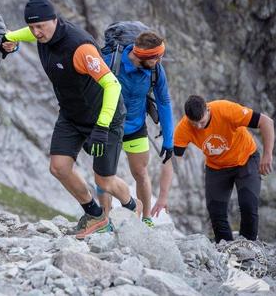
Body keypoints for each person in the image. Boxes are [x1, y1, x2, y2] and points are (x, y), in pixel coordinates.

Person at [3, 0, 142, 239]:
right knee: (59, 167)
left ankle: (133, 207)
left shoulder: (80, 48)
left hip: (104, 117)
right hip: (71, 113)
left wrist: (101, 126)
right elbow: (24, 33)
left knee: (105, 180)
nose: (36, 33)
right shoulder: (40, 33)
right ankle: (95, 214)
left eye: (41, 27)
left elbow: (112, 86)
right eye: (32, 27)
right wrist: (8, 39)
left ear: (54, 20)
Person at [169, 95, 274, 242]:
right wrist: (164, 194)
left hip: (245, 159)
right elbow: (174, 160)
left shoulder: (226, 110)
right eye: (194, 124)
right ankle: (226, 250)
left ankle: (248, 247)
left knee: (248, 204)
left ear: (208, 109)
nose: (199, 127)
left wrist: (267, 155)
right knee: (216, 213)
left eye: (202, 122)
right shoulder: (184, 127)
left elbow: (266, 122)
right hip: (216, 167)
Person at [97, 31, 175, 227]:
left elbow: (164, 101)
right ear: (144, 56)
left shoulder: (156, 70)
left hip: (136, 126)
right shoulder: (111, 61)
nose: (160, 61)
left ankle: (146, 218)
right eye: (157, 57)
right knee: (104, 173)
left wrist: (168, 140)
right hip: (109, 126)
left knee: (140, 173)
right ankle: (104, 218)